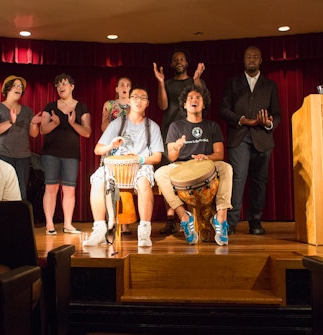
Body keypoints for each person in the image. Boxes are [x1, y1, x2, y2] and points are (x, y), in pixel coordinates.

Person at [83, 86, 163, 247]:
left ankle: (144, 231)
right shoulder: (117, 124)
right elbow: (98, 149)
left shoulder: (152, 127)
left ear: (148, 103)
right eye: (135, 97)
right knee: (98, 179)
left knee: (143, 182)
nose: (139, 100)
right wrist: (110, 146)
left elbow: (157, 157)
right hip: (116, 167)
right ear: (129, 102)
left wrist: (138, 159)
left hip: (141, 165)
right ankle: (99, 229)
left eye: (143, 97)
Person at [155, 85, 232, 246]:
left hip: (206, 165)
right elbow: (171, 156)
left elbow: (220, 154)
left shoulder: (212, 126)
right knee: (160, 173)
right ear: (184, 104)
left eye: (198, 97)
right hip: (181, 165)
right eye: (190, 98)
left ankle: (221, 218)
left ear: (204, 104)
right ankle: (184, 217)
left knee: (226, 167)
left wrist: (207, 157)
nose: (194, 100)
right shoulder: (175, 127)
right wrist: (176, 147)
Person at [219, 46, 281, 235]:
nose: (251, 59)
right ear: (244, 60)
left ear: (261, 60)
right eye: (248, 56)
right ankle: (231, 222)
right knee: (237, 179)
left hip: (263, 138)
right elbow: (223, 109)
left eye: (255, 56)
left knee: (260, 181)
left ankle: (255, 221)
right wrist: (242, 120)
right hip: (240, 137)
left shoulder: (270, 85)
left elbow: (277, 114)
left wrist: (269, 123)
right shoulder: (233, 83)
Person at [153, 48, 206, 234]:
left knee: (190, 175)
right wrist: (160, 83)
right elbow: (163, 106)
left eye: (182, 59)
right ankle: (170, 218)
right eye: (175, 59)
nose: (178, 61)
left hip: (192, 132)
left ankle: (192, 216)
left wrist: (197, 79)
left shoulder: (194, 81)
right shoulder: (166, 83)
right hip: (170, 131)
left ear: (187, 62)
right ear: (171, 64)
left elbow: (203, 98)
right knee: (169, 175)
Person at [38, 73, 92, 235]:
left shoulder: (81, 107)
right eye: (58, 85)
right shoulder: (50, 106)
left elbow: (87, 132)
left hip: (71, 154)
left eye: (64, 84)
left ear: (72, 86)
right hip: (51, 153)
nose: (60, 87)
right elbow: (42, 130)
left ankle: (68, 224)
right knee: (51, 188)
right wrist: (55, 123)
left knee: (69, 190)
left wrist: (71, 123)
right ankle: (49, 225)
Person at [0, 75, 41, 200]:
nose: (19, 88)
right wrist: (10, 122)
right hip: (2, 155)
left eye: (21, 86)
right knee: (1, 190)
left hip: (23, 157)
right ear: (7, 89)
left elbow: (34, 134)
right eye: (15, 85)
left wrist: (33, 123)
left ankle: (18, 219)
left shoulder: (27, 111)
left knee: (20, 192)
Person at [101, 77, 133, 235]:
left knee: (125, 186)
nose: (125, 87)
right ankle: (111, 220)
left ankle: (125, 223)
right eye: (122, 85)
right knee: (111, 185)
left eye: (128, 85)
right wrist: (107, 119)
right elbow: (103, 128)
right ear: (116, 89)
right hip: (113, 147)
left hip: (128, 147)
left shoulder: (134, 105)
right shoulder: (109, 105)